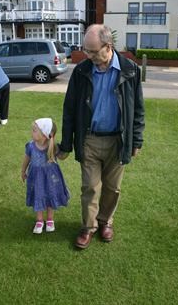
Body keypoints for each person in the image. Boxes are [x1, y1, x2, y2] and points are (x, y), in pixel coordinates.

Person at [59, 24, 145, 249]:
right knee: (90, 186)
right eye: (86, 51)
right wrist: (66, 144)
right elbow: (69, 110)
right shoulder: (81, 71)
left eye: (93, 51)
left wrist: (136, 140)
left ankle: (106, 221)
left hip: (119, 140)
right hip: (89, 140)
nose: (88, 56)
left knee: (112, 188)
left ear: (109, 47)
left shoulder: (131, 70)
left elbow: (137, 109)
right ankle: (88, 227)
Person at [21, 118, 70, 234]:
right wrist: (23, 171)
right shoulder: (31, 146)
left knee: (50, 194)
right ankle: (39, 220)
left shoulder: (52, 146)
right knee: (38, 195)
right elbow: (26, 159)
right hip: (36, 178)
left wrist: (67, 146)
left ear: (44, 134)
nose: (31, 132)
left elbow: (63, 156)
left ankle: (49, 219)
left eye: (34, 130)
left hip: (51, 179)